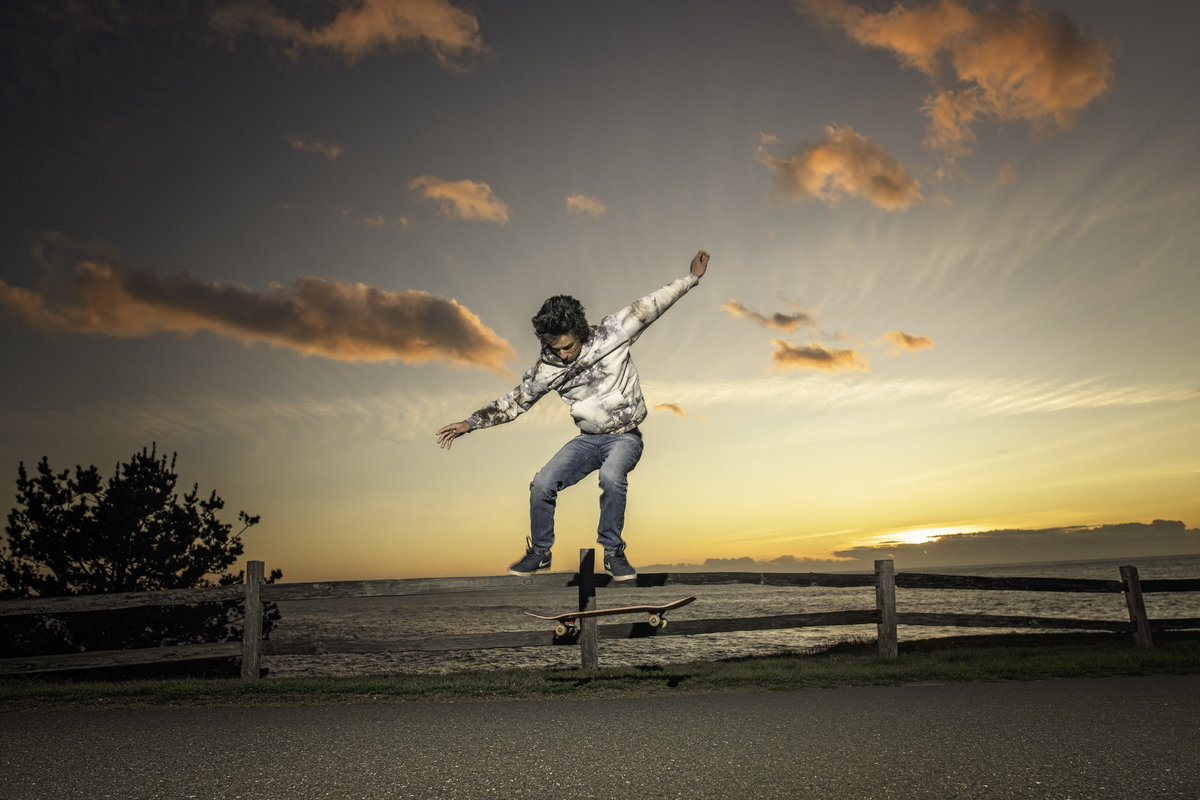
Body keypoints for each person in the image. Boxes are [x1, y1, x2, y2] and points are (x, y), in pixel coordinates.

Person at [436, 250, 710, 579]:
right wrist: (471, 422)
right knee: (541, 485)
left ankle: (613, 552)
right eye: (556, 349)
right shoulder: (547, 368)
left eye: (568, 346)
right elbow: (516, 401)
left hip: (625, 437)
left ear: (580, 332)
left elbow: (652, 305)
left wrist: (691, 279)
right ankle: (540, 552)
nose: (564, 355)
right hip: (587, 441)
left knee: (611, 477)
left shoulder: (613, 332)